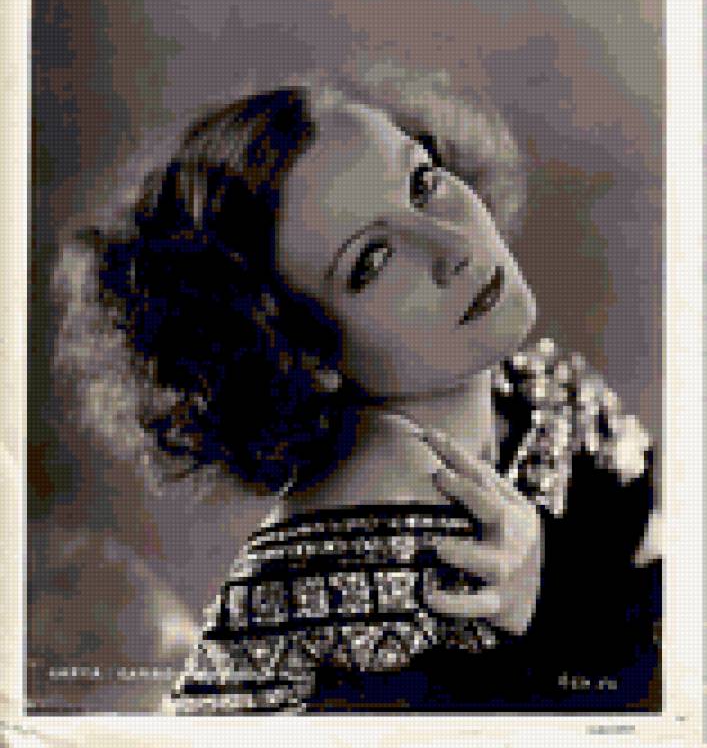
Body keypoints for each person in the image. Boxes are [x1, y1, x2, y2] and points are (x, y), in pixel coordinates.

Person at [65, 85, 660, 713]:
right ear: (301, 351)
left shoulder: (551, 390)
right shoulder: (316, 607)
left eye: (423, 183)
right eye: (372, 261)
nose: (453, 247)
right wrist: (565, 603)